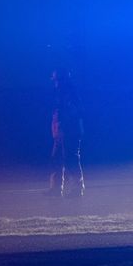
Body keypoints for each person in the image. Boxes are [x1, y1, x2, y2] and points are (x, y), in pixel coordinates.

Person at [47, 68, 85, 197]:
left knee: (70, 159)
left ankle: (76, 188)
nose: (55, 83)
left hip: (70, 131)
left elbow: (77, 111)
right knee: (56, 158)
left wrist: (64, 123)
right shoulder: (59, 94)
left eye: (57, 80)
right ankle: (56, 188)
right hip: (60, 132)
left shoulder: (70, 93)